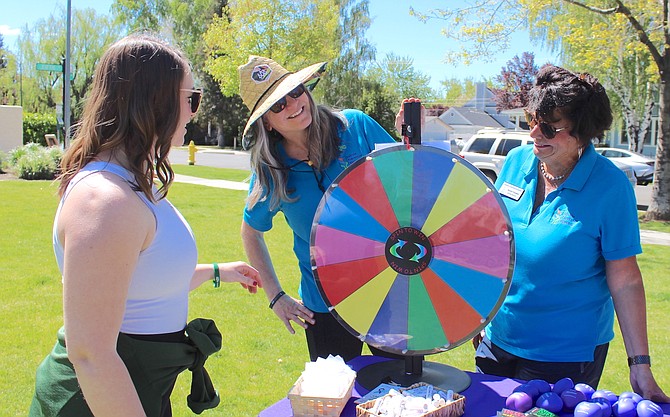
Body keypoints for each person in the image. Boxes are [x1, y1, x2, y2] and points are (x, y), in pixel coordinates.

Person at [29, 34, 261, 417]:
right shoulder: (104, 199)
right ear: (155, 99)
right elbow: (90, 353)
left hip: (135, 390)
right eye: (192, 98)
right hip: (99, 398)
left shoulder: (131, 184)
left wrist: (220, 272)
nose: (193, 113)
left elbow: (142, 283)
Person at [474, 65, 668, 402]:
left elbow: (625, 279)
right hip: (498, 340)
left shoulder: (610, 187)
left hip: (564, 358)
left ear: (583, 131)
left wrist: (639, 364)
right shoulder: (517, 161)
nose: (535, 133)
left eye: (549, 126)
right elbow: (493, 244)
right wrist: (478, 314)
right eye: (531, 120)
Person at [238, 55, 415, 362]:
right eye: (278, 105)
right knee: (335, 400)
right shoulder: (271, 171)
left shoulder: (355, 126)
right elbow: (251, 231)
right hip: (323, 306)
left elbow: (412, 178)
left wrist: (411, 140)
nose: (294, 105)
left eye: (295, 92)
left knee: (402, 394)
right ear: (266, 120)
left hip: (389, 294)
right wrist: (276, 296)